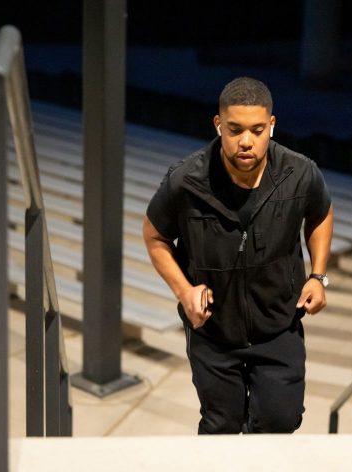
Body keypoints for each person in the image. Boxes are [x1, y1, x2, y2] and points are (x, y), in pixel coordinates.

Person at [143, 76, 333, 434]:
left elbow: (321, 213)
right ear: (218, 125)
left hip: (278, 326)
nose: (246, 141)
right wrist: (184, 292)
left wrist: (318, 276)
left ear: (271, 125)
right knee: (222, 427)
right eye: (235, 130)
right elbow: (154, 236)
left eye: (257, 130)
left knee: (280, 421)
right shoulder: (186, 180)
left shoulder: (299, 173)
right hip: (213, 331)